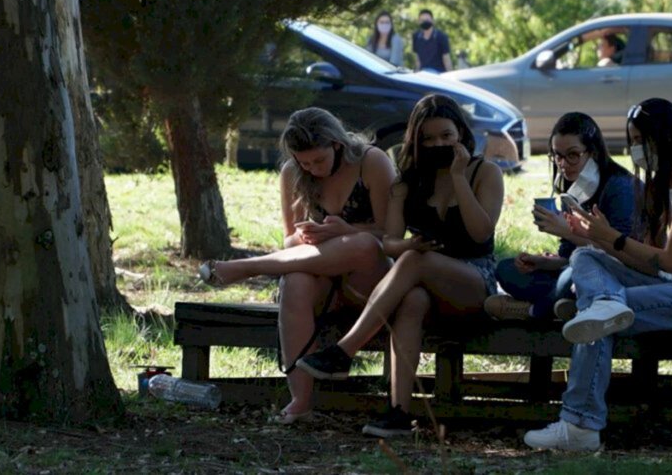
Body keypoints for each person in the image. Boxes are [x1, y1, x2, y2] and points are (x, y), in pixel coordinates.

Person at [523, 98, 672, 451]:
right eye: (633, 140)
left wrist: (612, 237)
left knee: (595, 316)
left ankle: (580, 424)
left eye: (641, 140)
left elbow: (669, 261)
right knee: (585, 258)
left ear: (665, 137)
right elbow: (648, 264)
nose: (636, 148)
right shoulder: (662, 184)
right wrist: (597, 239)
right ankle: (604, 304)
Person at [295, 94, 504, 437]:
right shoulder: (407, 181)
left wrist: (458, 177)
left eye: (446, 136)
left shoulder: (485, 172)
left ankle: (345, 350)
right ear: (415, 141)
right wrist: (408, 245)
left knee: (414, 261)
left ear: (461, 134)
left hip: (474, 282)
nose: (438, 144)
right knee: (412, 299)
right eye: (428, 138)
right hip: (424, 283)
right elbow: (390, 241)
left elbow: (481, 232)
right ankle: (398, 412)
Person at [198, 107, 395, 424]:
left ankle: (252, 267)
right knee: (295, 281)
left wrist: (345, 231)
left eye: (319, 160)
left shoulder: (371, 161)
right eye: (305, 163)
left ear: (337, 145)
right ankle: (300, 401)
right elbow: (289, 241)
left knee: (363, 244)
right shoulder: (292, 173)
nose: (313, 169)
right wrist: (308, 237)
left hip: (370, 283)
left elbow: (392, 235)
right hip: (322, 282)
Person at [484, 113, 636, 321]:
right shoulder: (572, 189)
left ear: (593, 152)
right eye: (557, 155)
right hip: (575, 268)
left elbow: (621, 254)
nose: (563, 164)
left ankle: (532, 311)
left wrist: (568, 232)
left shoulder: (619, 187)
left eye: (572, 155)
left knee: (572, 277)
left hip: (612, 274)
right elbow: (567, 255)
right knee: (506, 269)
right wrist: (541, 263)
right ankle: (566, 305)